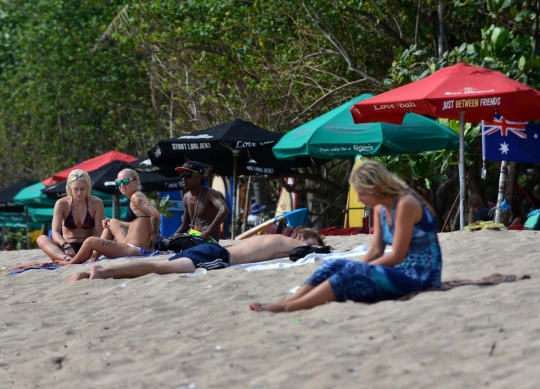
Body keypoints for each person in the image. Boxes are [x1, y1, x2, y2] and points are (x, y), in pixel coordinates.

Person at [249, 159, 443, 313]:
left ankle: (288, 307)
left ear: (376, 188)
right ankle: (292, 300)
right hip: (400, 270)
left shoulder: (405, 205)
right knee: (334, 265)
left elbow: (397, 255)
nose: (359, 199)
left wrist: (358, 267)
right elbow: (376, 250)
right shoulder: (380, 209)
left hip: (421, 274)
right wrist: (357, 265)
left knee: (350, 270)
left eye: (362, 194)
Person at [66, 228, 324, 282]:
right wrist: (320, 247)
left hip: (209, 251)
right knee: (158, 268)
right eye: (309, 241)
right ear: (302, 237)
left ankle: (94, 273)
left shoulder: (275, 240)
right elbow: (306, 251)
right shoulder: (288, 241)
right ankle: (101, 271)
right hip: (217, 255)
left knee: (158, 266)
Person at [54, 168, 160, 265]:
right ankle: (94, 257)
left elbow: (155, 214)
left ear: (135, 182)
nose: (122, 185)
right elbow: (139, 224)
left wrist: (154, 235)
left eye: (126, 181)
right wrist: (118, 223)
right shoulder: (136, 196)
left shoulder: (136, 197)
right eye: (119, 182)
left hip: (135, 250)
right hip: (134, 246)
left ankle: (71, 263)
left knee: (90, 241)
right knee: (111, 222)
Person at [37, 169, 104, 263]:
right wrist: (66, 245)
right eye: (75, 189)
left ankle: (70, 259)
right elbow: (55, 232)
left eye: (83, 188)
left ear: (88, 186)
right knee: (42, 239)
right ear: (69, 187)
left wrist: (93, 251)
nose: (79, 193)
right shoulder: (62, 203)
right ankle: (66, 258)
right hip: (66, 248)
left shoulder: (96, 203)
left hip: (88, 247)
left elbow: (98, 233)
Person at [172, 161, 229, 242]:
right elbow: (185, 225)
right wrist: (171, 238)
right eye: (182, 175)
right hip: (193, 234)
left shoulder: (209, 193)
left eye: (188, 175)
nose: (183, 178)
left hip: (210, 237)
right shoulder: (186, 197)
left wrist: (207, 232)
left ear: (199, 177)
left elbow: (224, 210)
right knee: (171, 241)